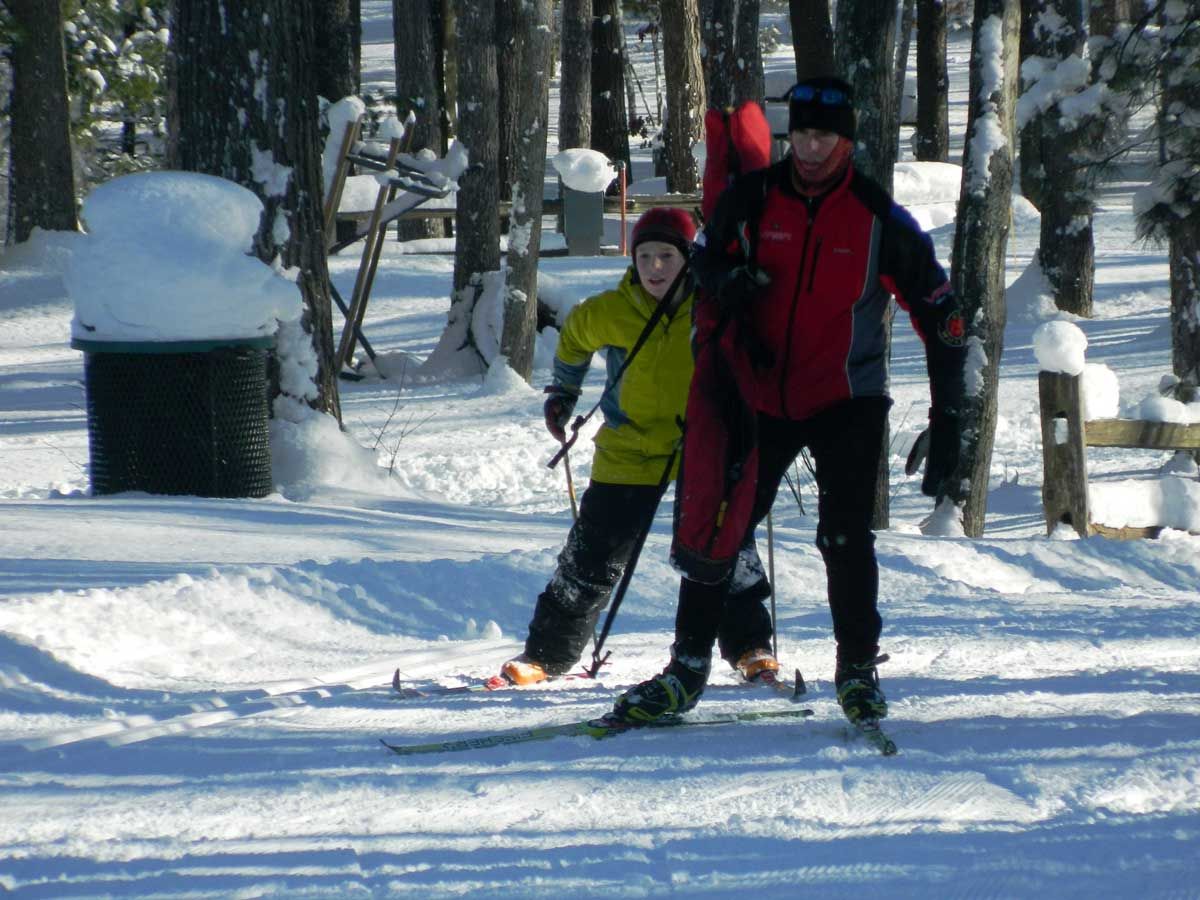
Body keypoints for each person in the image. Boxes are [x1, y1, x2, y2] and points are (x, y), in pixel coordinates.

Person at [610, 77, 967, 726]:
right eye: (799, 134)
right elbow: (704, 263)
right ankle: (686, 670)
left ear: (846, 140)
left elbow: (942, 316)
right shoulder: (753, 198)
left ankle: (856, 672)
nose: (807, 148)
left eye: (822, 136)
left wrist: (949, 420)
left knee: (844, 536)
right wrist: (728, 279)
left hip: (846, 400)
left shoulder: (876, 216)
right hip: (762, 394)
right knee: (724, 528)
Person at [499, 207, 780, 687]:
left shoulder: (712, 305)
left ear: (687, 258)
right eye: (645, 256)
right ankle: (544, 656)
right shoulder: (608, 310)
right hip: (628, 448)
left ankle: (751, 649)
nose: (654, 267)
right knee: (590, 557)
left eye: (665, 256)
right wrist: (564, 393)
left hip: (705, 447)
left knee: (727, 549)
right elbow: (573, 341)